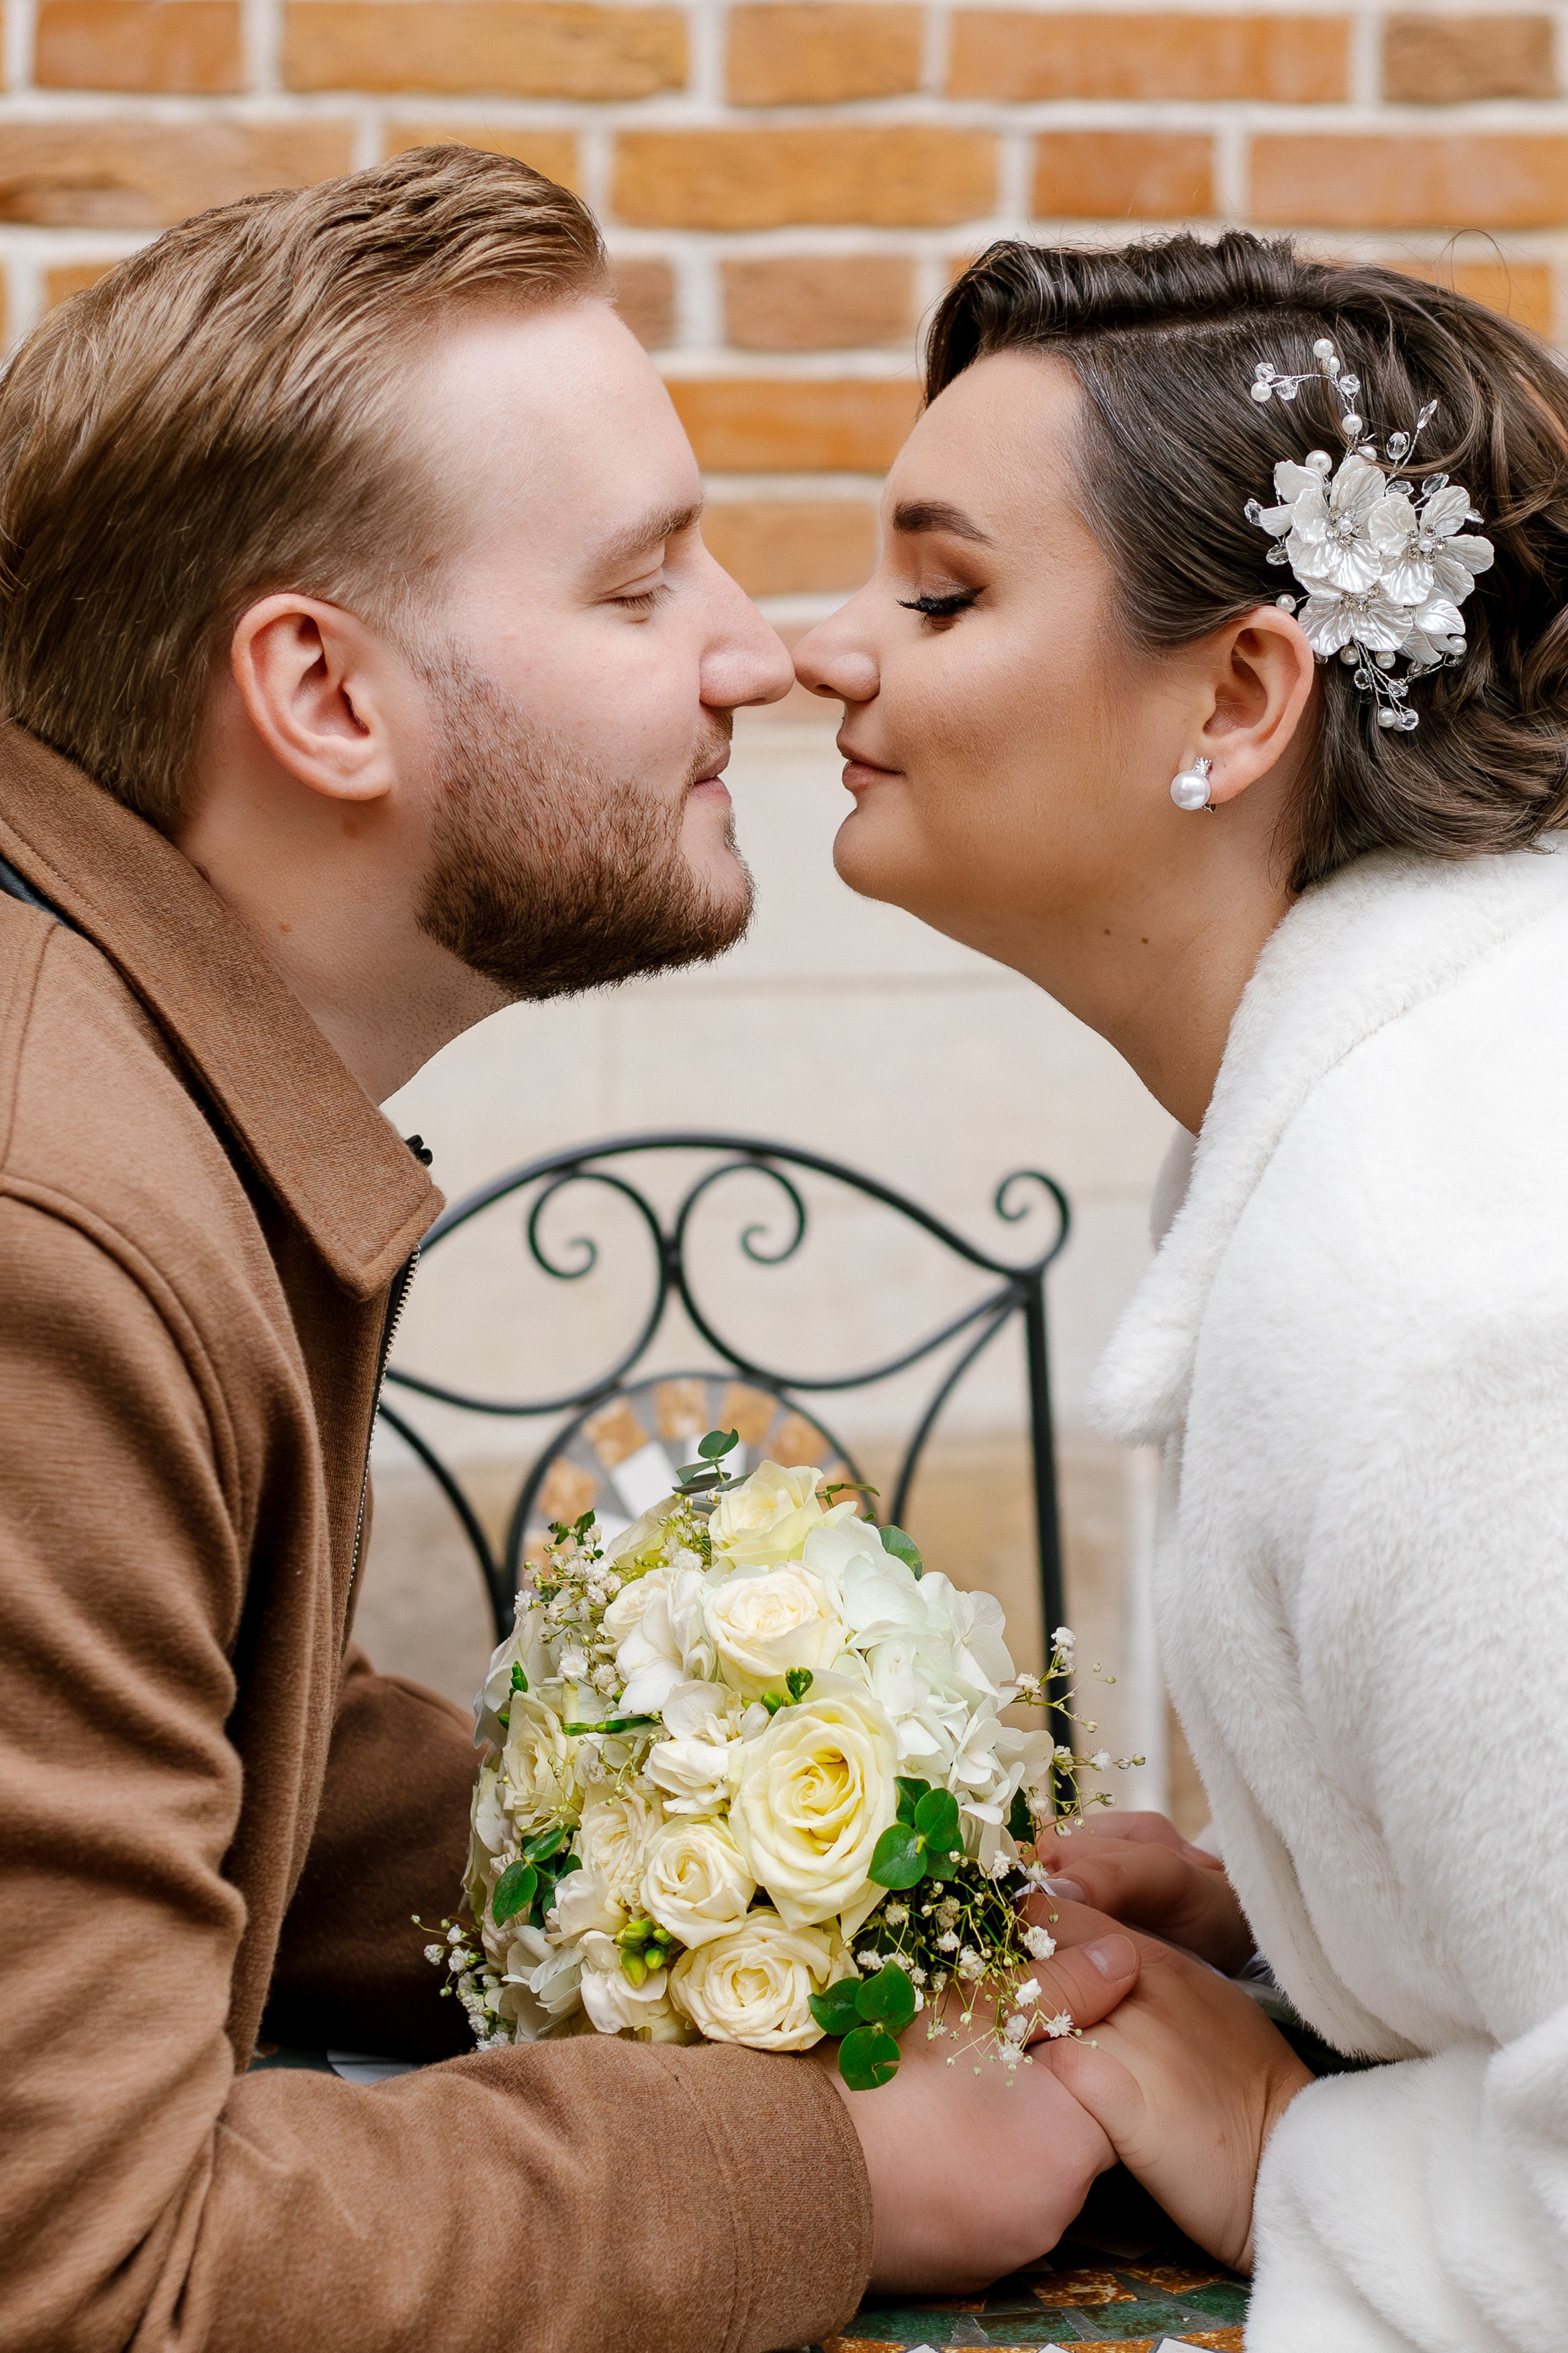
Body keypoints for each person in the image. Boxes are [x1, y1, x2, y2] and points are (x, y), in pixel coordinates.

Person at [0, 150, 1143, 2353]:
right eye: (638, 590)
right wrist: (821, 2174)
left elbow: (216, 1760)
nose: (757, 649)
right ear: (325, 698)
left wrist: (851, 1909)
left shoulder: (122, 1078)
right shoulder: (53, 1223)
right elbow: (88, 2264)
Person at [795, 230, 1568, 2350]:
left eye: (939, 595)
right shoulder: (1406, 1107)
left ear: (1237, 697)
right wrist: (1307, 1931)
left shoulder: (1455, 1280)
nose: (818, 652)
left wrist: (1288, 2152)